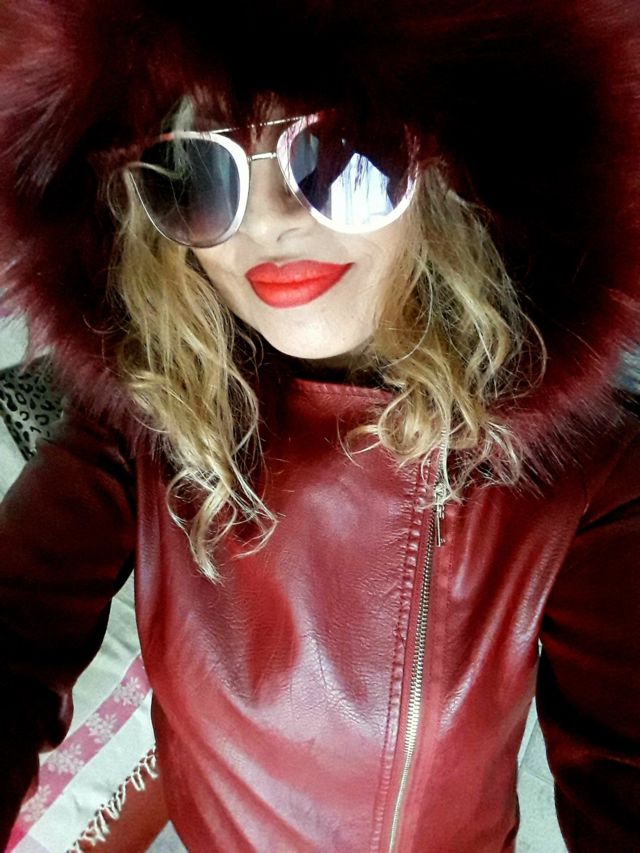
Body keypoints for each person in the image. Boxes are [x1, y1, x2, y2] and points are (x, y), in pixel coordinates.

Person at [0, 1, 639, 850]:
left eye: (341, 150)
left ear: (453, 172)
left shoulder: (588, 481)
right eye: (198, 169)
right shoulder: (141, 421)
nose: (267, 220)